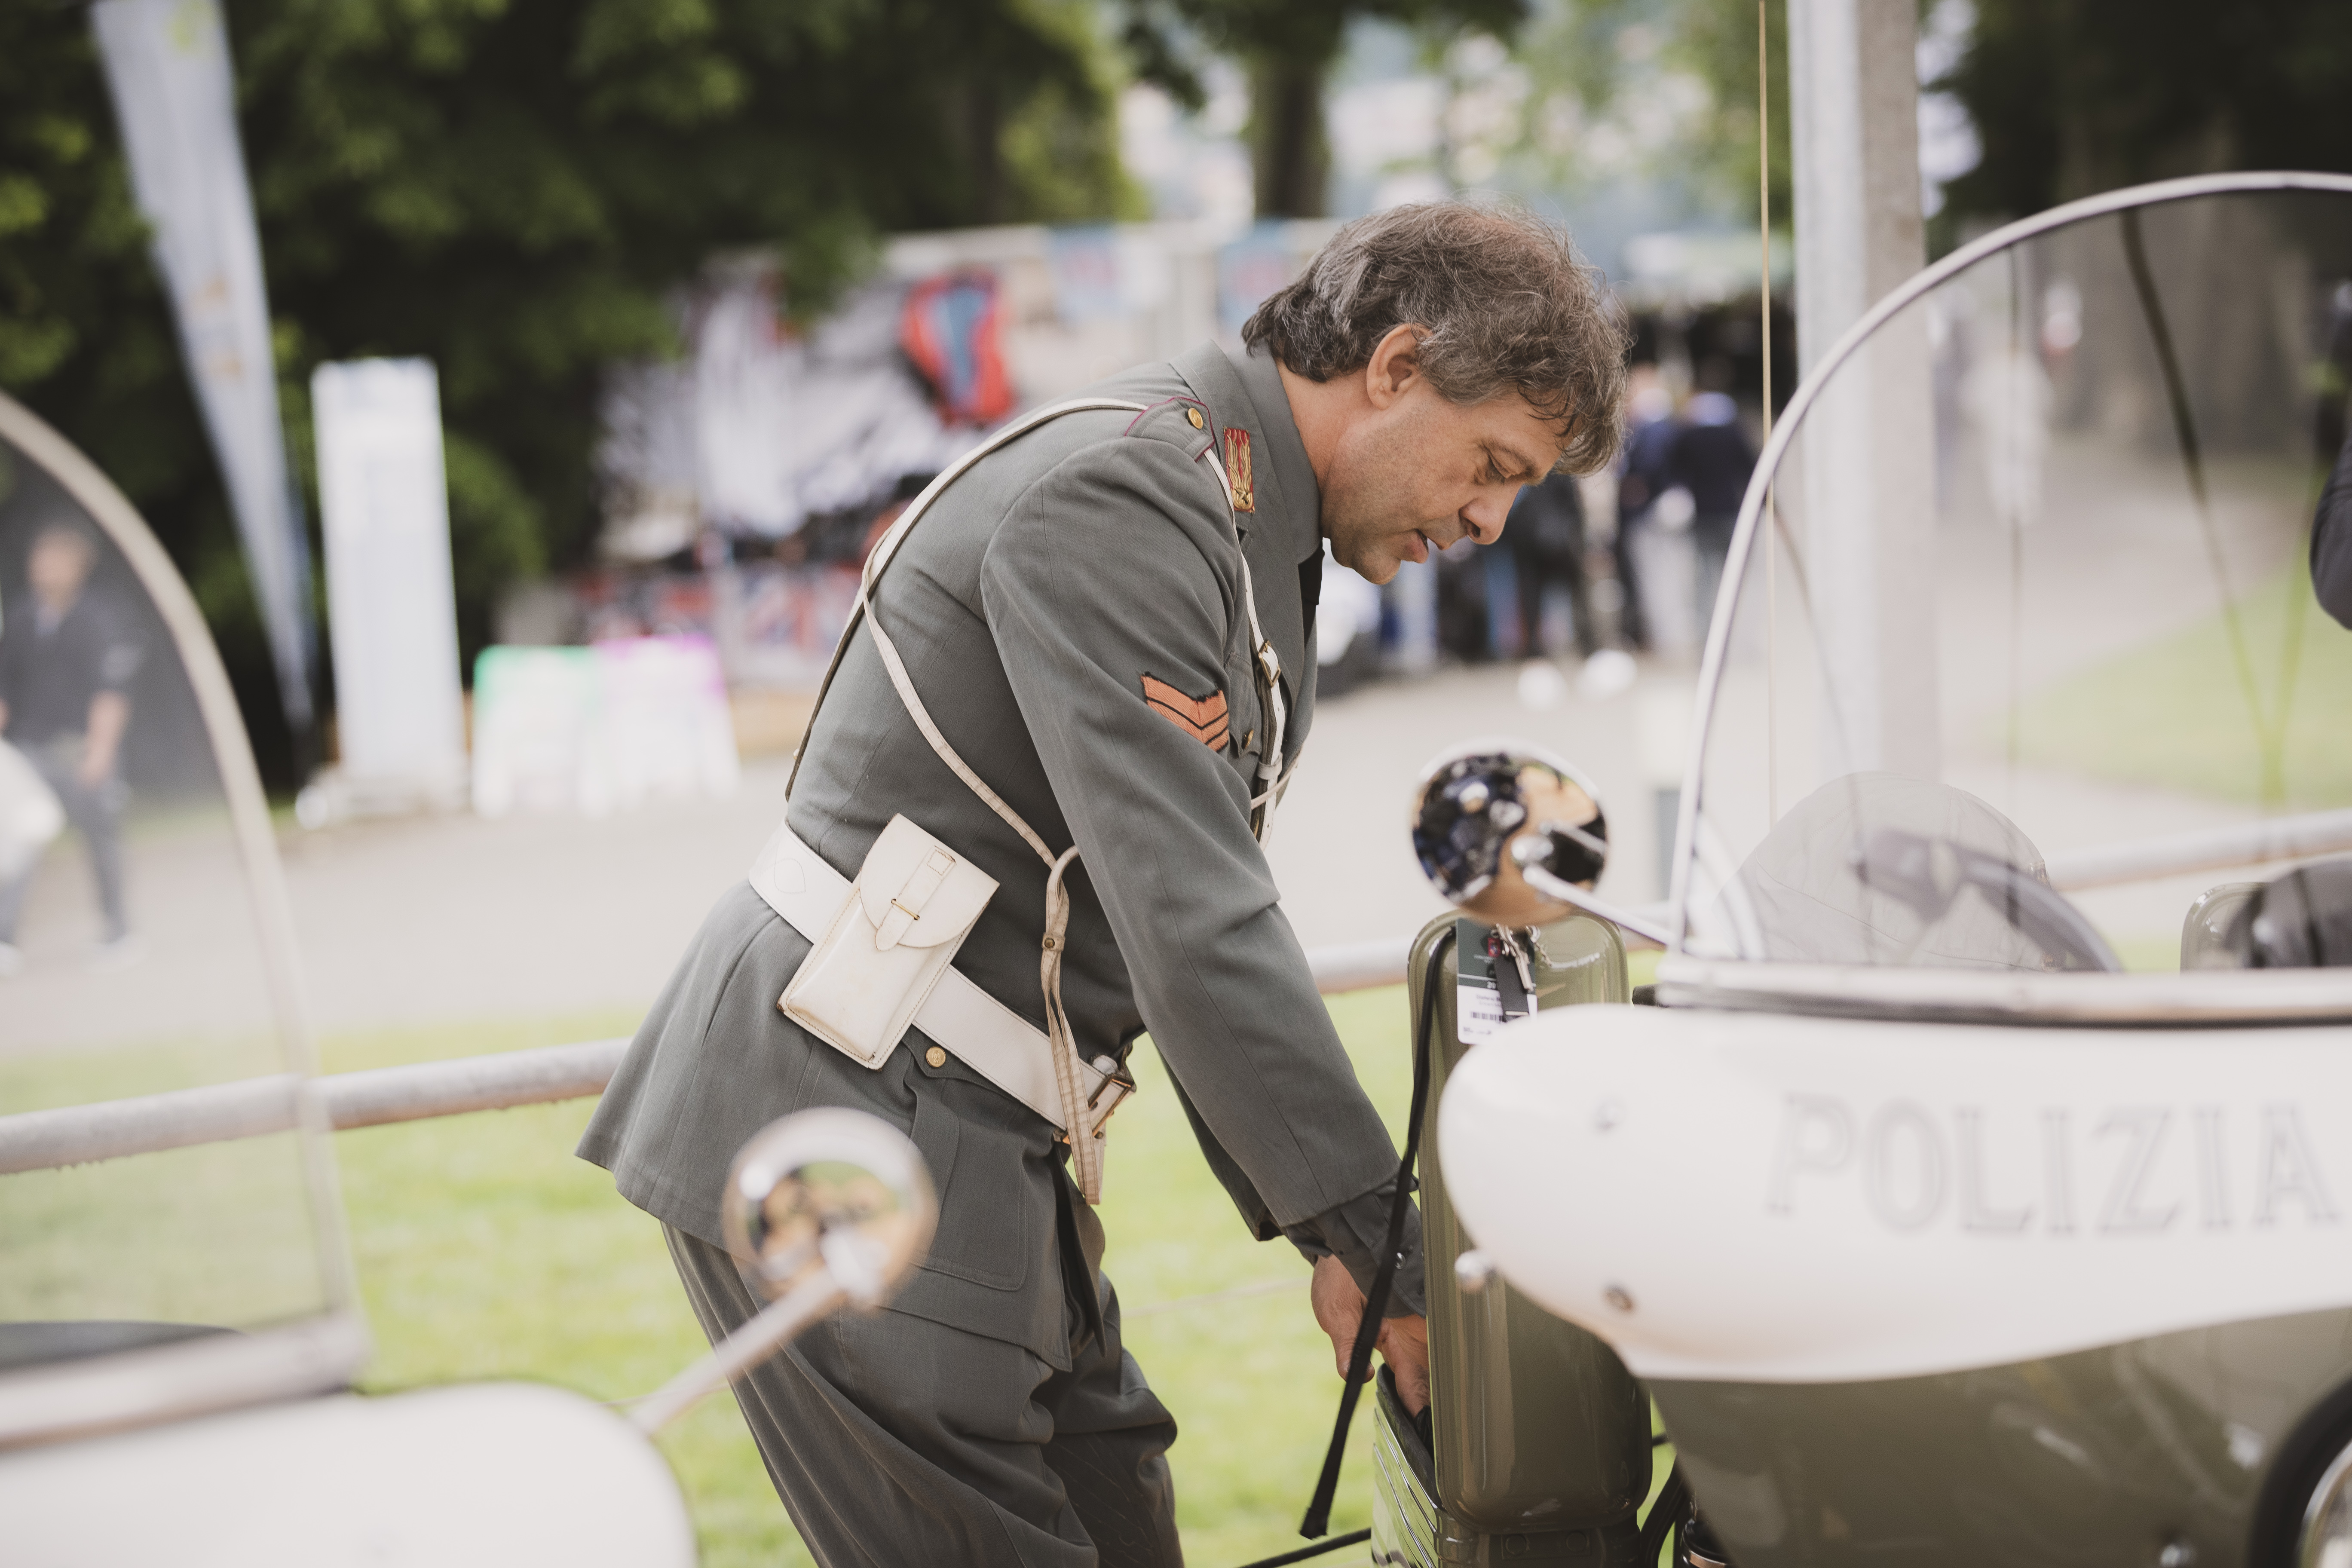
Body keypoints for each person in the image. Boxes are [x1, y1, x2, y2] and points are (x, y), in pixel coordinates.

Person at [578, 201, 1629, 1568]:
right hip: (853, 1106)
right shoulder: (1129, 494)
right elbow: (1194, 920)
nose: (1492, 518)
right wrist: (1379, 1244)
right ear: (1396, 366)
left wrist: (1344, 1241)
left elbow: (1163, 910)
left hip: (969, 1119)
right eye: (1493, 464)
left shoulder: (1234, 508)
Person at [0, 522, 142, 971]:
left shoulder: (100, 618)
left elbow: (110, 691)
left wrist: (100, 751)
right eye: (39, 560)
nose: (43, 568)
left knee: (101, 838)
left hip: (81, 746)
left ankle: (118, 931)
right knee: (20, 836)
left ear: (78, 566)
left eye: (53, 560)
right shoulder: (21, 618)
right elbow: (6, 690)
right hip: (30, 748)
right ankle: (4, 937)